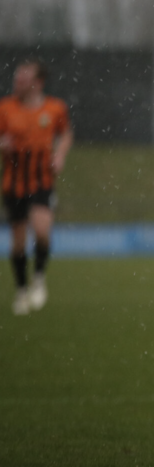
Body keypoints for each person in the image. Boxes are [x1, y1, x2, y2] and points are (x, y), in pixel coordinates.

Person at [1, 59, 72, 316]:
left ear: (38, 83)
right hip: (13, 184)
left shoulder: (55, 108)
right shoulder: (5, 108)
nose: (17, 82)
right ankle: (21, 290)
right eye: (17, 78)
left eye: (23, 79)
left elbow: (65, 133)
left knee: (42, 232)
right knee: (18, 244)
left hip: (42, 181)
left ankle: (39, 277)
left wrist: (60, 154)